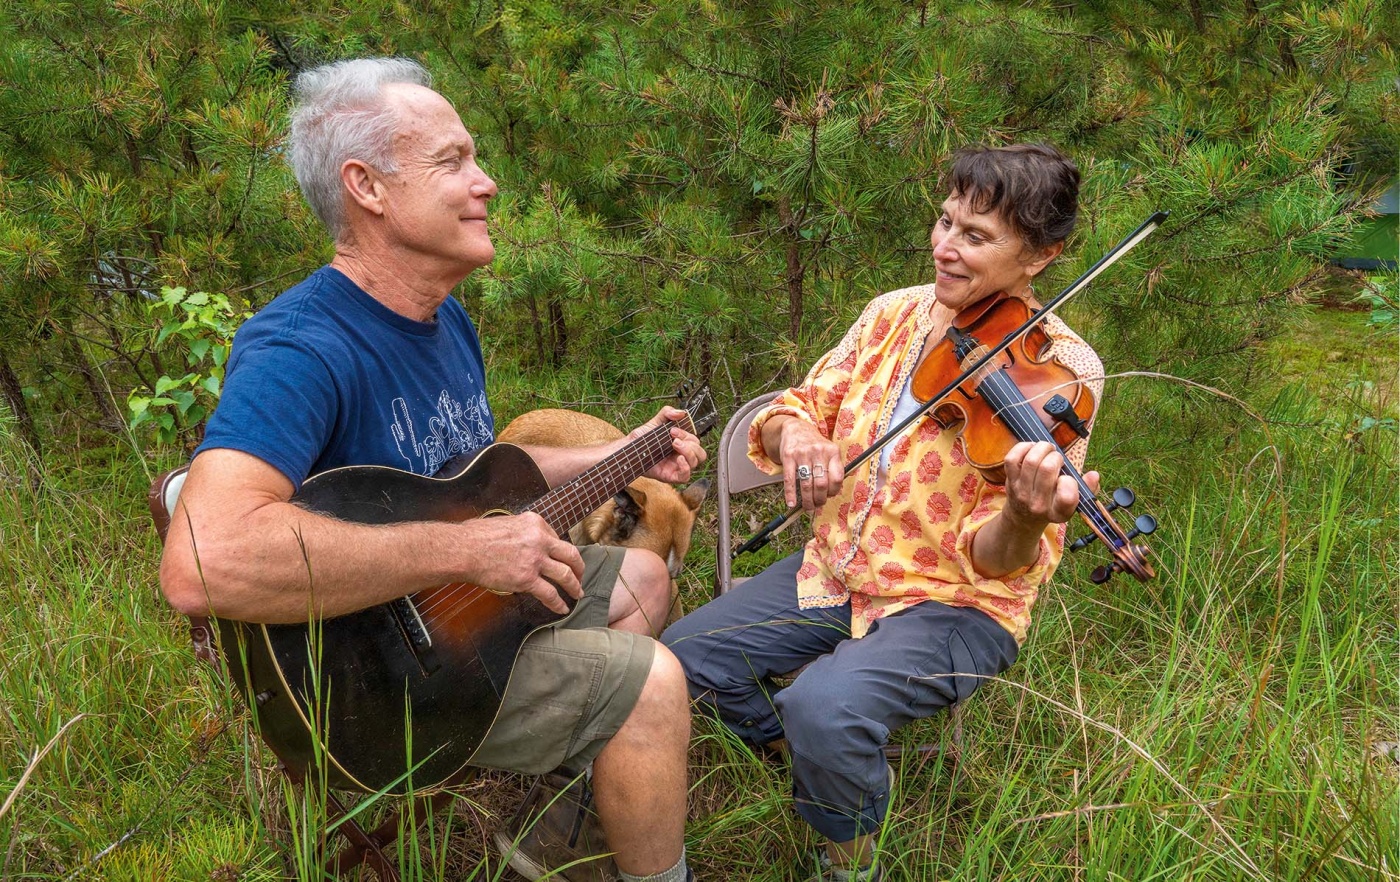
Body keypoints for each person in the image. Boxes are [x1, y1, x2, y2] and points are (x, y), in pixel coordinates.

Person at [159, 57, 704, 882]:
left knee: (646, 582)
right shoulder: (300, 348)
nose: (486, 183)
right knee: (655, 687)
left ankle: (572, 812)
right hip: (366, 690)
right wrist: (465, 555)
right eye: (453, 161)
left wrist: (619, 454)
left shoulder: (441, 321)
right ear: (367, 187)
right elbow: (205, 562)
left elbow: (479, 480)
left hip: (466, 626)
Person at [662, 143, 1102, 881]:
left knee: (827, 710)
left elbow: (1000, 562)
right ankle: (811, 761)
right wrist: (796, 430)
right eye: (944, 221)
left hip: (956, 601)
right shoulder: (891, 314)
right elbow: (793, 408)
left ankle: (847, 858)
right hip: (836, 571)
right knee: (683, 662)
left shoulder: (1063, 371)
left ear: (1041, 257)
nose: (944, 247)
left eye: (975, 236)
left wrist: (1026, 518)